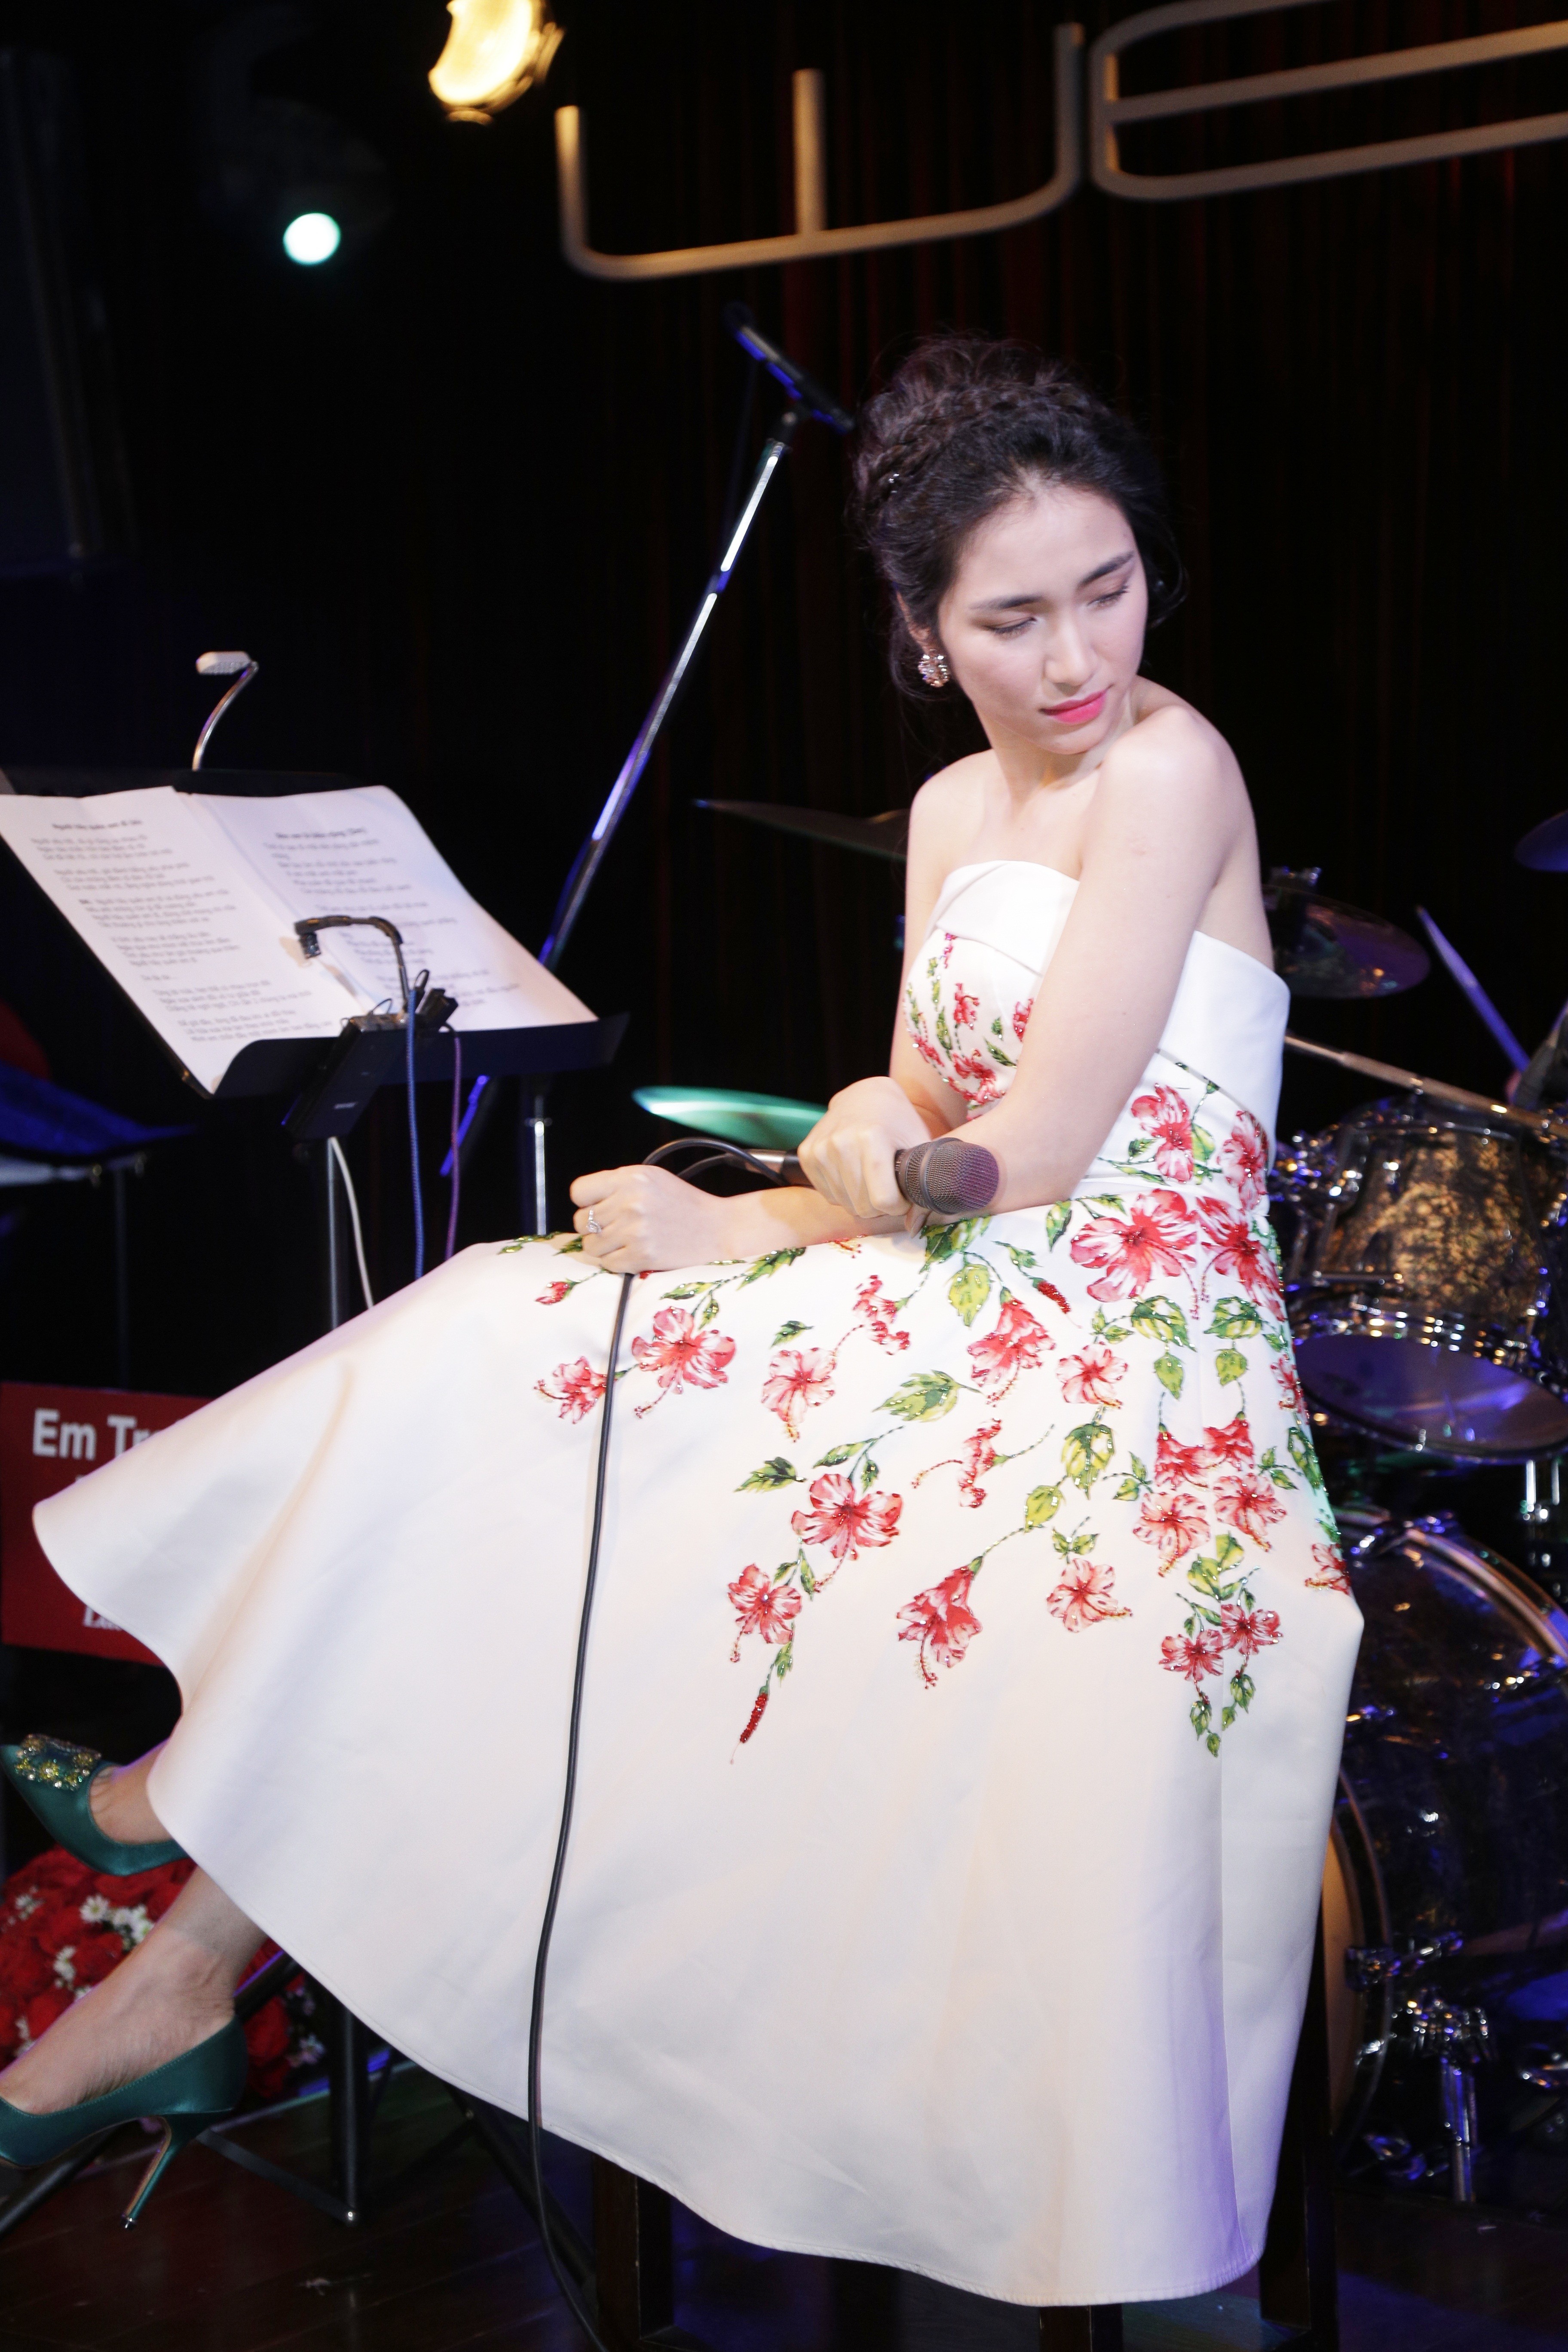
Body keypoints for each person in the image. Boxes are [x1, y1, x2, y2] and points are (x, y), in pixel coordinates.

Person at [0, 335, 1360, 2307]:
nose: (1080, 655)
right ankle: (189, 1939)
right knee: (512, 1335)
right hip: (965, 1288)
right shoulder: (950, 809)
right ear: (921, 633)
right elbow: (920, 1104)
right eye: (1014, 618)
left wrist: (788, 1204)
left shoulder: (1171, 764)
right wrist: (846, 1143)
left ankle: (173, 1864)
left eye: (1111, 588)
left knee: (574, 1382)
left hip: (1130, 1338)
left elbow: (1032, 1153)